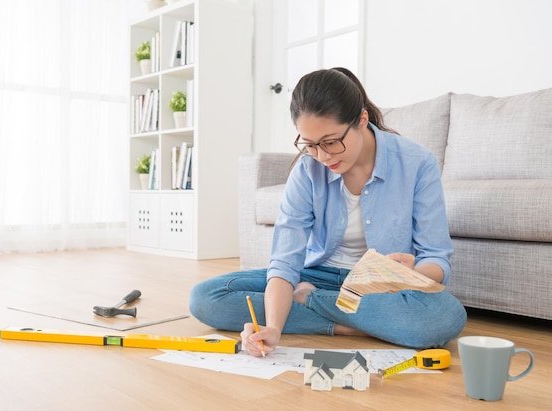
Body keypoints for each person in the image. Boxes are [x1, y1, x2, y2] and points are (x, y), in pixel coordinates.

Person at [189, 67, 467, 357]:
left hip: (380, 288)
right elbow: (285, 264)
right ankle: (361, 325)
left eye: (331, 142)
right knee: (206, 298)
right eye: (310, 145)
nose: (322, 156)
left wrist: (413, 273)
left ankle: (310, 301)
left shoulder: (416, 163)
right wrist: (272, 327)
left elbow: (437, 259)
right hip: (315, 273)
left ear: (361, 119)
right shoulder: (307, 171)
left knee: (444, 317)